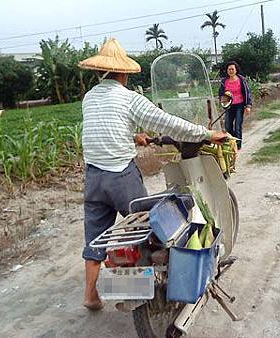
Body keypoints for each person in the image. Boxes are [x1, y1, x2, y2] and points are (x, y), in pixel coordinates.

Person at [78, 38, 227, 311]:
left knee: (95, 236)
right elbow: (166, 122)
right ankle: (143, 294)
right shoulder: (128, 97)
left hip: (94, 177)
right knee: (149, 231)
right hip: (121, 176)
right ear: (123, 73)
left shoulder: (90, 97)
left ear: (100, 72)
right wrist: (207, 133)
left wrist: (134, 137)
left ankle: (91, 295)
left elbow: (103, 129)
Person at [218, 61, 252, 149]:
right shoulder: (224, 81)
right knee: (228, 127)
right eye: (229, 69)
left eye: (232, 69)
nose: (231, 71)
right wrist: (223, 103)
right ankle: (234, 140)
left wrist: (248, 106)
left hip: (239, 106)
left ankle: (238, 146)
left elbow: (247, 92)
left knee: (237, 126)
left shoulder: (241, 80)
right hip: (229, 106)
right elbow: (221, 94)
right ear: (227, 71)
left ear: (236, 70)